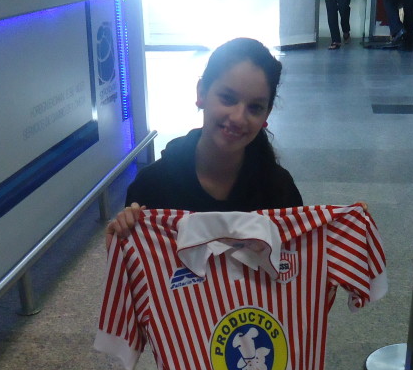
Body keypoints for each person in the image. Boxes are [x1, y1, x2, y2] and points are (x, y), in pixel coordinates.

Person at [106, 38, 303, 247]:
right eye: (228, 98)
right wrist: (119, 242)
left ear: (267, 114)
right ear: (201, 93)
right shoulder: (152, 188)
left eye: (255, 107)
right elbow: (138, 274)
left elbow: (295, 267)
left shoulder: (279, 192)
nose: (238, 117)